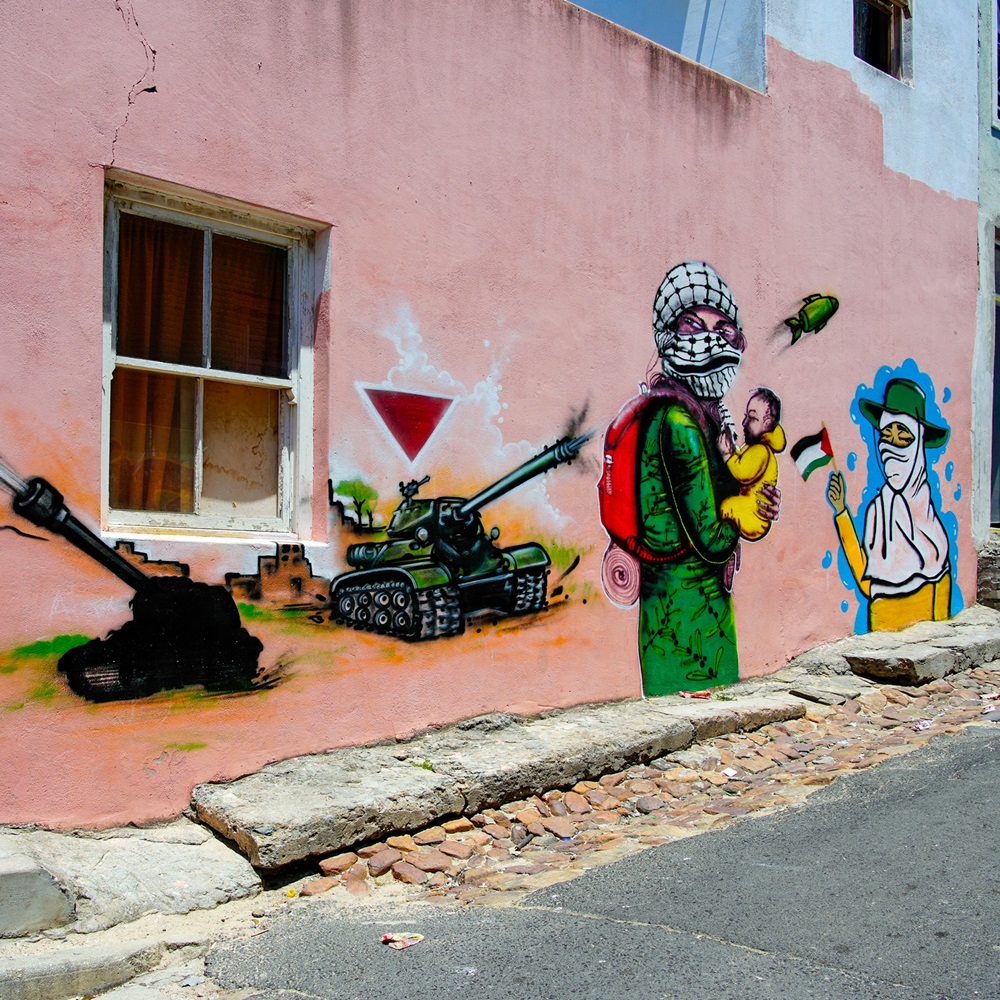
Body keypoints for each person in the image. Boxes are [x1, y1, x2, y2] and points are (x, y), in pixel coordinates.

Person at [633, 261, 779, 695]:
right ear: (667, 337)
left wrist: (758, 503)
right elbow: (712, 537)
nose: (711, 340)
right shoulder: (678, 420)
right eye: (693, 325)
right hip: (681, 614)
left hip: (703, 606)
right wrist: (741, 515)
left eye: (724, 329)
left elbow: (722, 502)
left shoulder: (708, 415)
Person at [827, 377, 951, 631]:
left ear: (918, 445)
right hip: (880, 627)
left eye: (902, 437)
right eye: (886, 436)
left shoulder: (931, 526)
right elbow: (866, 580)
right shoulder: (877, 512)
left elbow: (942, 613)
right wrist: (841, 512)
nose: (891, 447)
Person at [719, 388, 786, 542]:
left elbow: (743, 472)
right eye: (746, 416)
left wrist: (727, 454)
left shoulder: (761, 451)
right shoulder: (756, 448)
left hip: (752, 514)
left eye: (752, 418)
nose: (744, 422)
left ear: (767, 423)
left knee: (726, 508)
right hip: (749, 508)